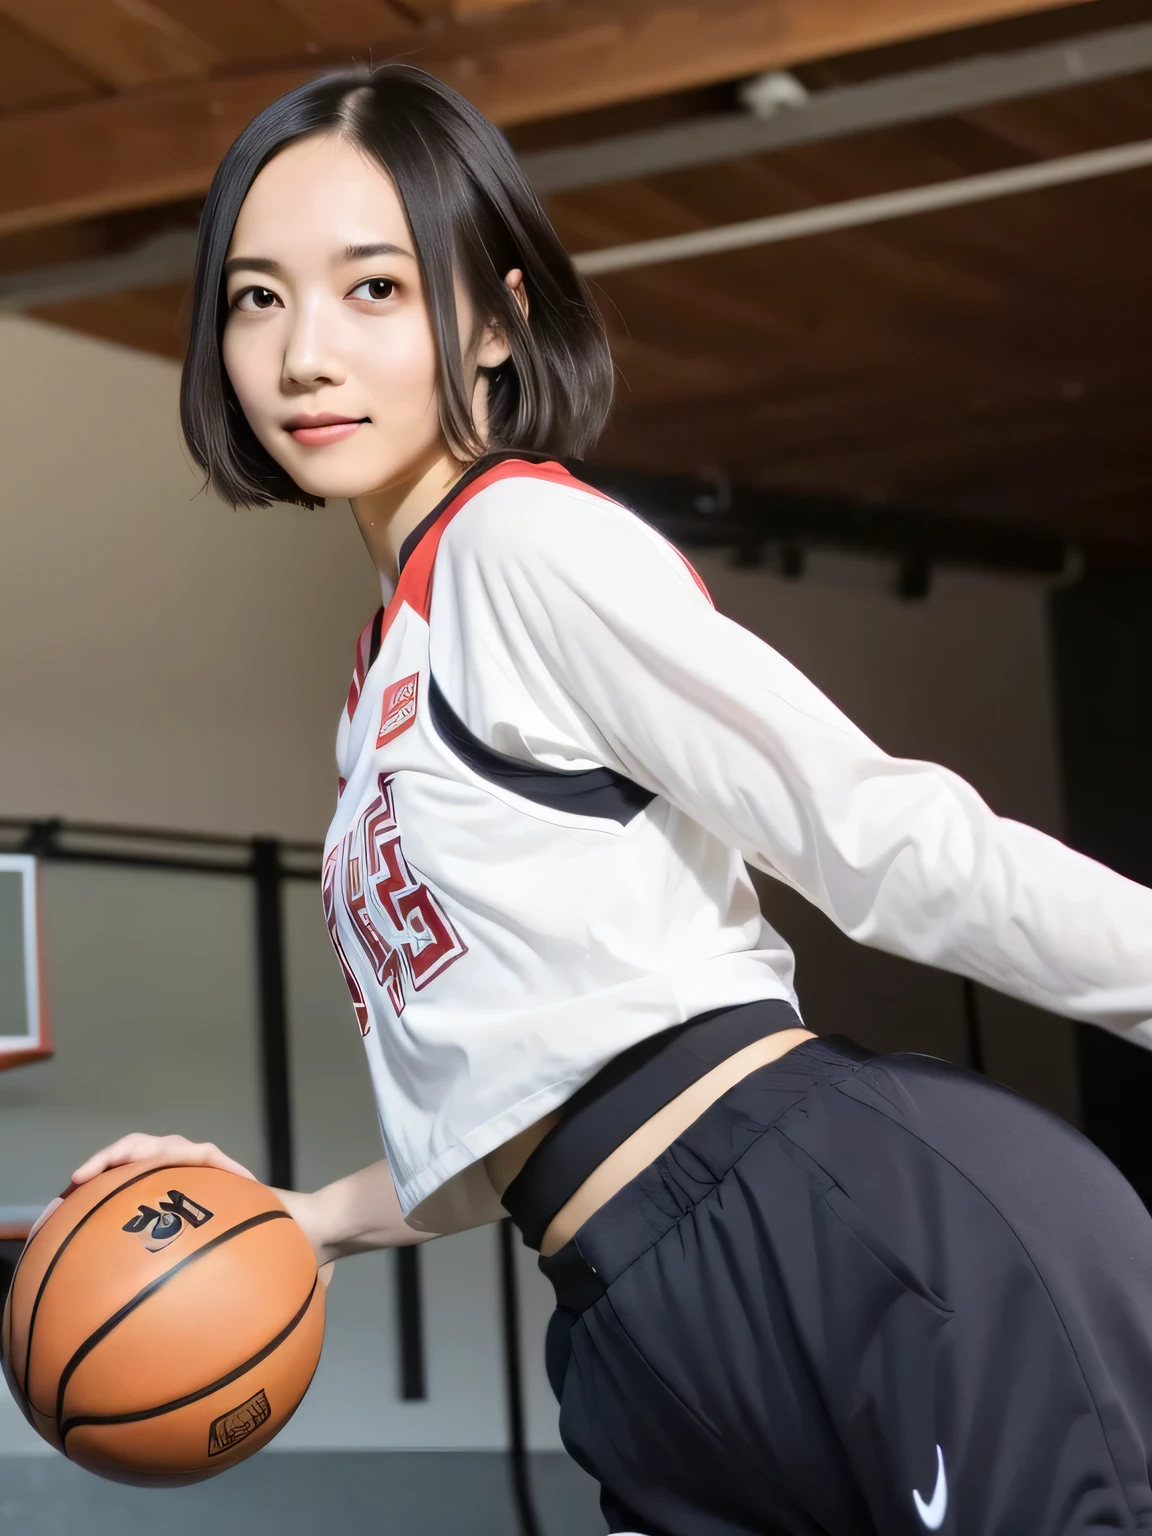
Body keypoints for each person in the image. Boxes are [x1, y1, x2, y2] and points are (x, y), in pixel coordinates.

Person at [69, 65, 1152, 1534]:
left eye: (374, 288)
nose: (305, 352)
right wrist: (301, 1220)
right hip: (628, 1313)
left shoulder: (520, 544)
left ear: (500, 318)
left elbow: (879, 834)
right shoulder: (388, 672)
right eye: (258, 298)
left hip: (831, 1228)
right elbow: (533, 1082)